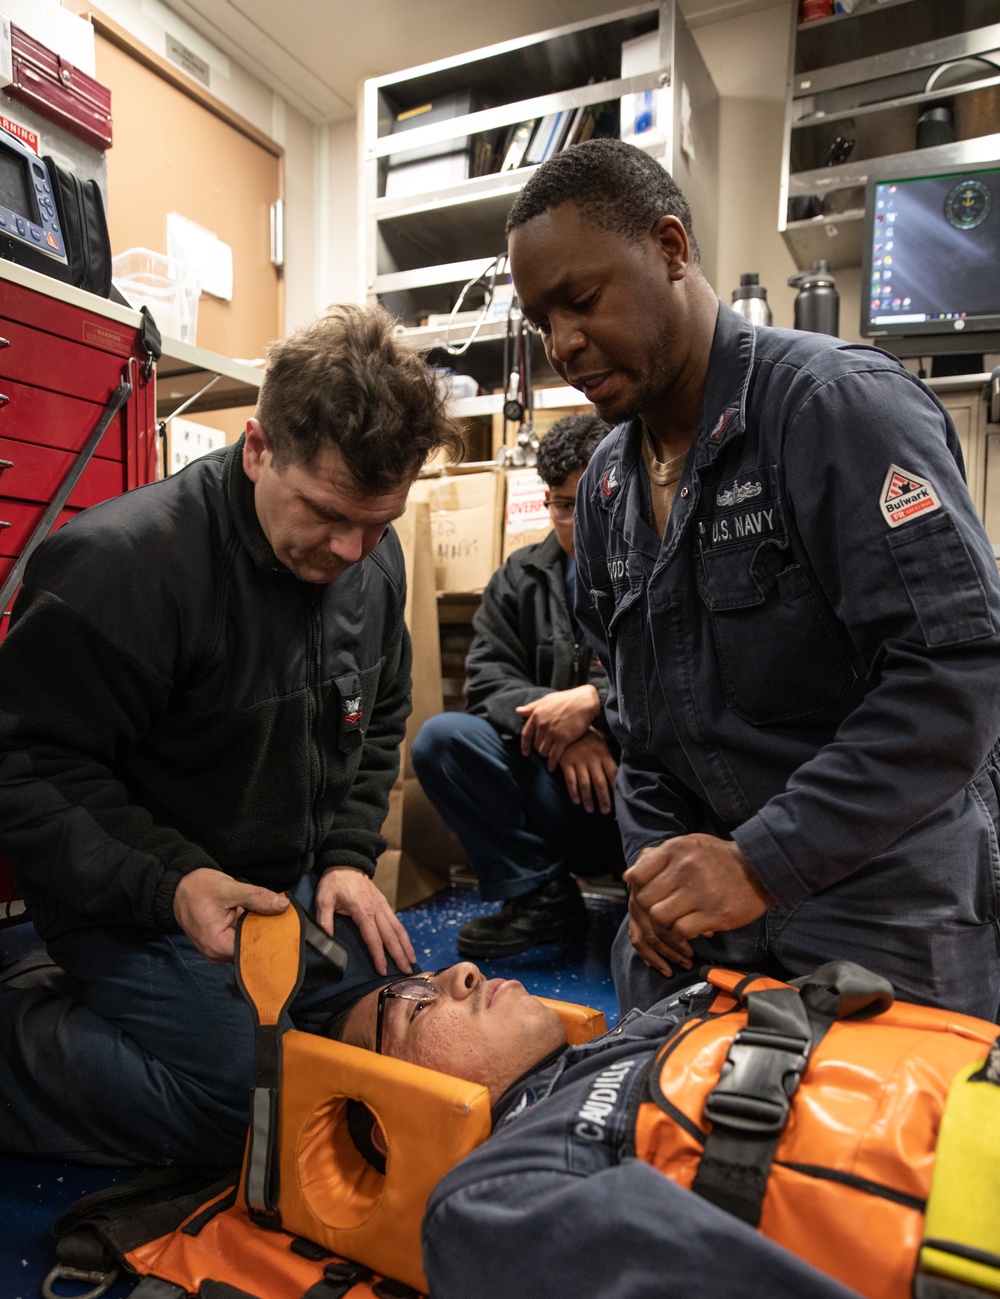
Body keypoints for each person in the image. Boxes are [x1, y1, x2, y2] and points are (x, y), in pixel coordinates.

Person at [503, 138, 1000, 1019]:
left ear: (670, 248)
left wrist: (763, 861)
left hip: (878, 889)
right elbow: (641, 727)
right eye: (543, 320)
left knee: (890, 1146)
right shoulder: (611, 489)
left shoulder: (835, 409)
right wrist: (657, 873)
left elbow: (955, 678)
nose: (565, 344)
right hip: (704, 903)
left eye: (580, 301)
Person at [0, 303, 461, 1167]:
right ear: (257, 449)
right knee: (253, 1106)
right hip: (132, 902)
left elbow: (384, 711)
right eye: (326, 512)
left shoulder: (367, 557)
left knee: (383, 1026)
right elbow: (24, 766)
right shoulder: (124, 566)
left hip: (278, 889)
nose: (354, 550)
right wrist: (173, 883)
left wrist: (350, 858)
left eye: (380, 521)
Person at [325, 960, 917, 1299]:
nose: (465, 971)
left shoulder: (655, 1025)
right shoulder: (497, 1212)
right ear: (392, 1120)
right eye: (415, 1005)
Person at [412, 414, 622, 959]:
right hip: (559, 785)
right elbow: (487, 677)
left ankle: (659, 898)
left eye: (589, 501)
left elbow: (685, 679)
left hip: (637, 795)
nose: (576, 522)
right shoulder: (521, 575)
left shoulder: (654, 568)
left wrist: (597, 707)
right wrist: (567, 729)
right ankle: (541, 896)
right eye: (562, 505)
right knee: (443, 741)